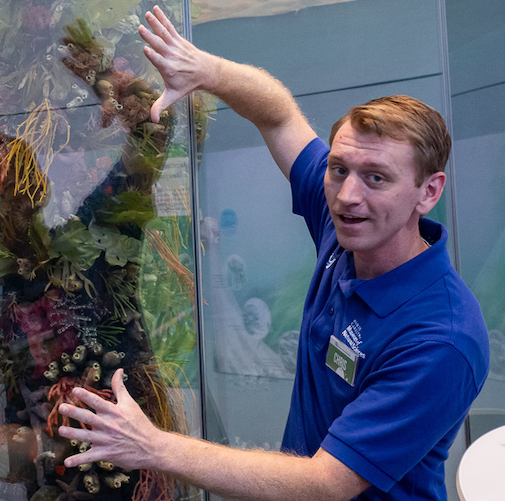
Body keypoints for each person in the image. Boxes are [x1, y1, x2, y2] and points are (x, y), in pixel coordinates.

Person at [58, 6, 490, 500]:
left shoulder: (441, 339)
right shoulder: (347, 227)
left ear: (429, 192)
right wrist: (205, 71)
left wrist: (153, 447)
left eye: (377, 178)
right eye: (338, 168)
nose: (348, 195)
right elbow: (279, 113)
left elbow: (326, 483)